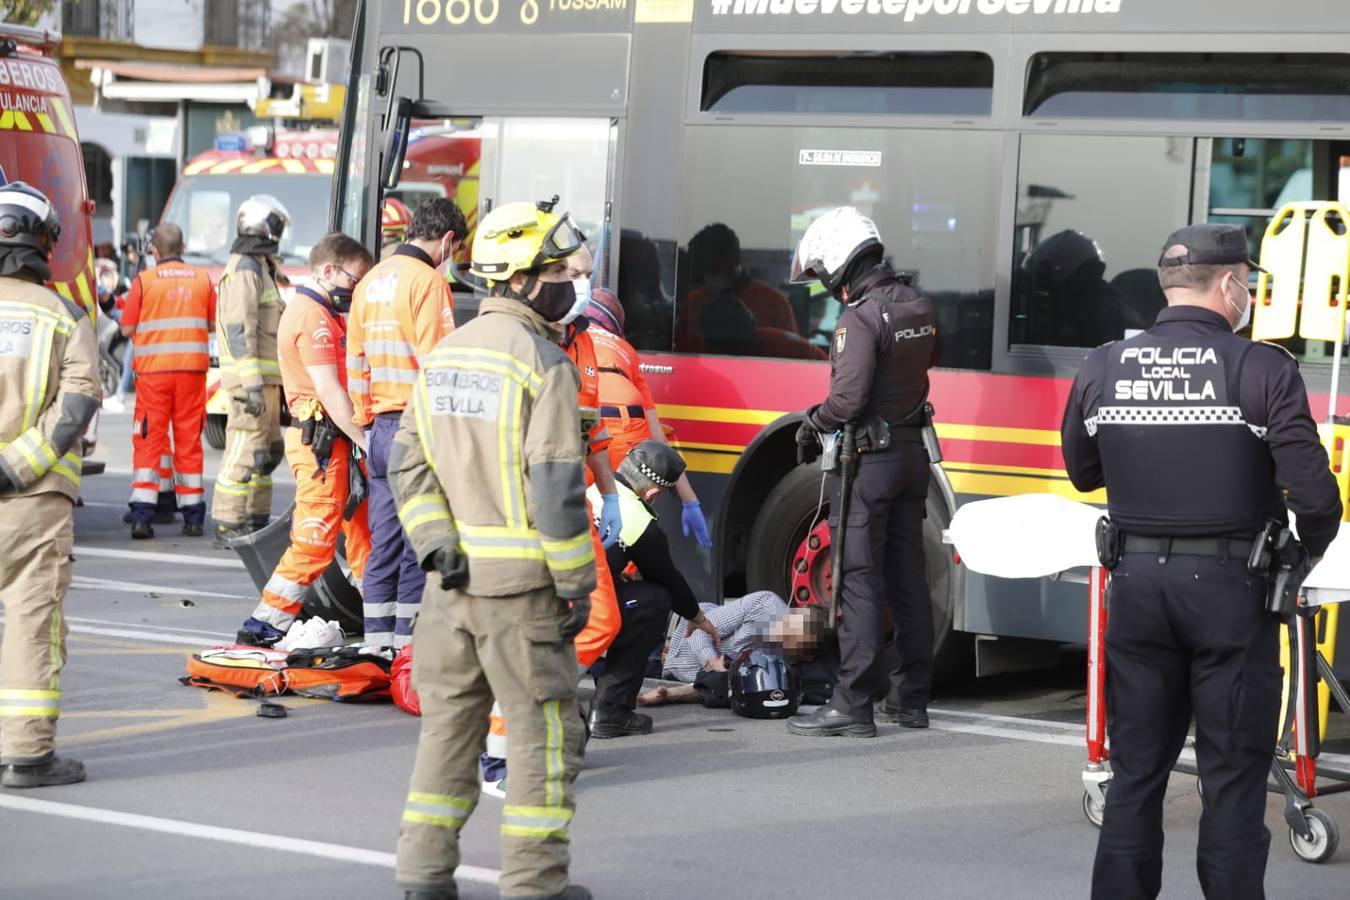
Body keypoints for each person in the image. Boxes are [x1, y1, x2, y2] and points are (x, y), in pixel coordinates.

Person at [1061, 223, 1343, 900]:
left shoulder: (1103, 364)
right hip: (1231, 594)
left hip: (1134, 591)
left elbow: (1081, 471)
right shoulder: (1262, 368)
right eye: (1247, 279)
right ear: (1230, 283)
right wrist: (1292, 562)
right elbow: (1316, 497)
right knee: (1233, 783)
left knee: (1135, 778)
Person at [387, 198, 597, 900]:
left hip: (448, 594)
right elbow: (557, 491)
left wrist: (436, 545)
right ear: (525, 280)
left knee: (447, 733)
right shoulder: (544, 363)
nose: (570, 280)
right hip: (522, 596)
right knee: (542, 741)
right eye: (559, 269)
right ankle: (536, 887)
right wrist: (576, 585)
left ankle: (422, 876)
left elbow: (407, 465)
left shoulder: (446, 355)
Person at [785, 206, 939, 739]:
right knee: (907, 576)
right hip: (912, 457)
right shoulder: (916, 303)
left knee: (859, 580)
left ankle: (852, 703)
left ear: (837, 264)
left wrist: (812, 422)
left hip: (869, 463)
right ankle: (911, 698)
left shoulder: (861, 317)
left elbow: (847, 401)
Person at [0, 182, 100, 787]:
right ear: (44, 242)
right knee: (32, 624)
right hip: (31, 503)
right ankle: (27, 754)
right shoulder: (64, 316)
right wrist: (15, 466)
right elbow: (76, 407)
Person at [237, 233, 375, 646]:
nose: (356, 291)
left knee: (366, 534)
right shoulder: (312, 316)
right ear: (328, 270)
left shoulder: (323, 311)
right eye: (354, 280)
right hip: (322, 445)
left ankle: (384, 622)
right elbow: (330, 391)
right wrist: (367, 440)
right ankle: (263, 626)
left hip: (333, 444)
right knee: (315, 539)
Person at [347, 198, 464, 649]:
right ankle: (407, 654)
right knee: (421, 543)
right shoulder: (428, 283)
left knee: (384, 545)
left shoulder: (370, 282)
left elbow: (355, 362)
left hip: (377, 430)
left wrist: (364, 425)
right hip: (417, 432)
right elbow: (439, 367)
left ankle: (377, 648)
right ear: (448, 240)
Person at [582, 440, 717, 737]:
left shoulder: (593, 492)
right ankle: (611, 710)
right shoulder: (639, 520)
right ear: (653, 492)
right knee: (653, 600)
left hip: (556, 595)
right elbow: (668, 578)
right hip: (582, 613)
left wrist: (613, 575)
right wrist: (698, 618)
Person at [587, 289, 711, 549]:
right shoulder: (626, 351)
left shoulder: (569, 338)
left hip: (584, 422)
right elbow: (657, 437)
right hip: (627, 428)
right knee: (625, 525)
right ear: (615, 326)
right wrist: (690, 501)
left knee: (581, 522)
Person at [118, 224, 216, 539]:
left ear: (154, 251)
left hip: (153, 375)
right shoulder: (203, 280)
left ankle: (143, 516)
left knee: (149, 440)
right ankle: (193, 517)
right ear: (183, 247)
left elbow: (125, 329)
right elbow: (212, 324)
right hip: (192, 374)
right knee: (188, 441)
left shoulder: (144, 282)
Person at [211, 195, 290, 545]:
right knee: (245, 449)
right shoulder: (245, 269)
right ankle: (228, 521)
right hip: (250, 383)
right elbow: (239, 330)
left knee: (267, 452)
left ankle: (256, 516)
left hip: (267, 381)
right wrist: (252, 385)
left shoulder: (260, 266)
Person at [641, 598, 828, 708]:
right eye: (787, 622)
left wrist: (670, 695)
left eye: (790, 636)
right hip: (666, 632)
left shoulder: (780, 670)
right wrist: (711, 661)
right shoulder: (766, 604)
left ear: (805, 655)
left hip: (661, 669)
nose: (779, 630)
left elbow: (724, 687)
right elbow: (698, 628)